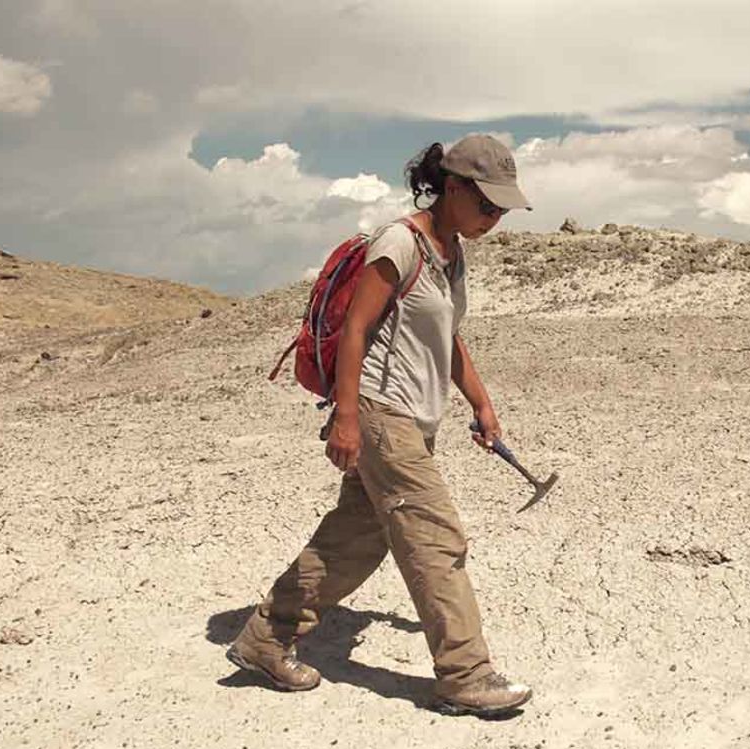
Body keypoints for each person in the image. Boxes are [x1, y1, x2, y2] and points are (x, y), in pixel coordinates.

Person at [226, 134, 534, 718]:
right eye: (487, 204)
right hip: (378, 413)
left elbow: (446, 339)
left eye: (502, 209)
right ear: (453, 188)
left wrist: (481, 403)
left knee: (355, 539)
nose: (495, 218)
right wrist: (345, 419)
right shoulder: (400, 242)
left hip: (413, 420)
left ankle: (265, 638)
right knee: (434, 536)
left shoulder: (451, 251)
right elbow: (356, 332)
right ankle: (465, 675)